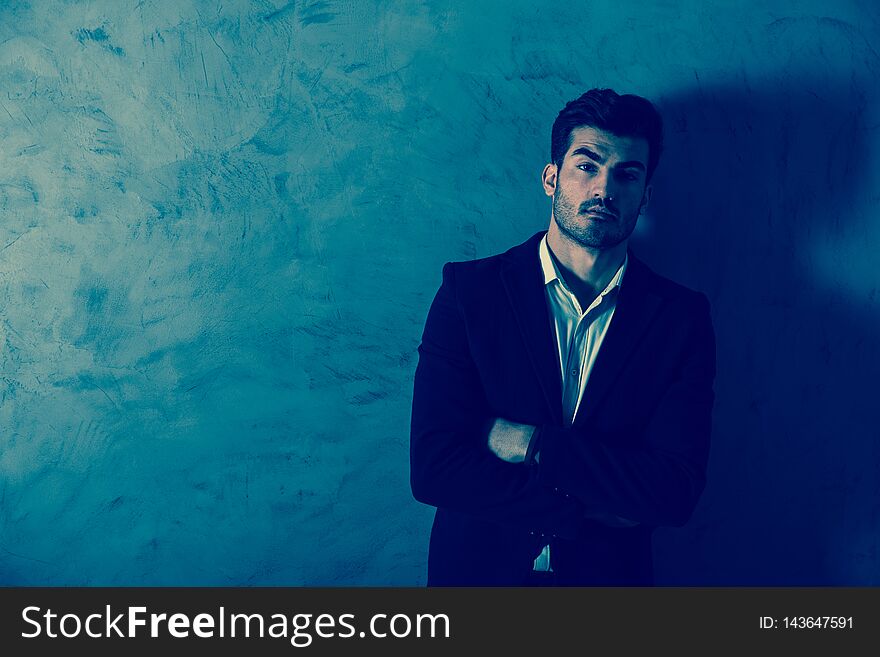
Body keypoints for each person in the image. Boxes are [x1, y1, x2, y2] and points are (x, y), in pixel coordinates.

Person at [409, 88, 716, 586]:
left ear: (646, 195)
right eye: (587, 165)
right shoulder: (470, 293)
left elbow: (673, 492)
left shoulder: (681, 319)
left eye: (627, 174)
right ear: (551, 178)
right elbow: (433, 468)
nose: (604, 189)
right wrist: (586, 506)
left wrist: (531, 445)